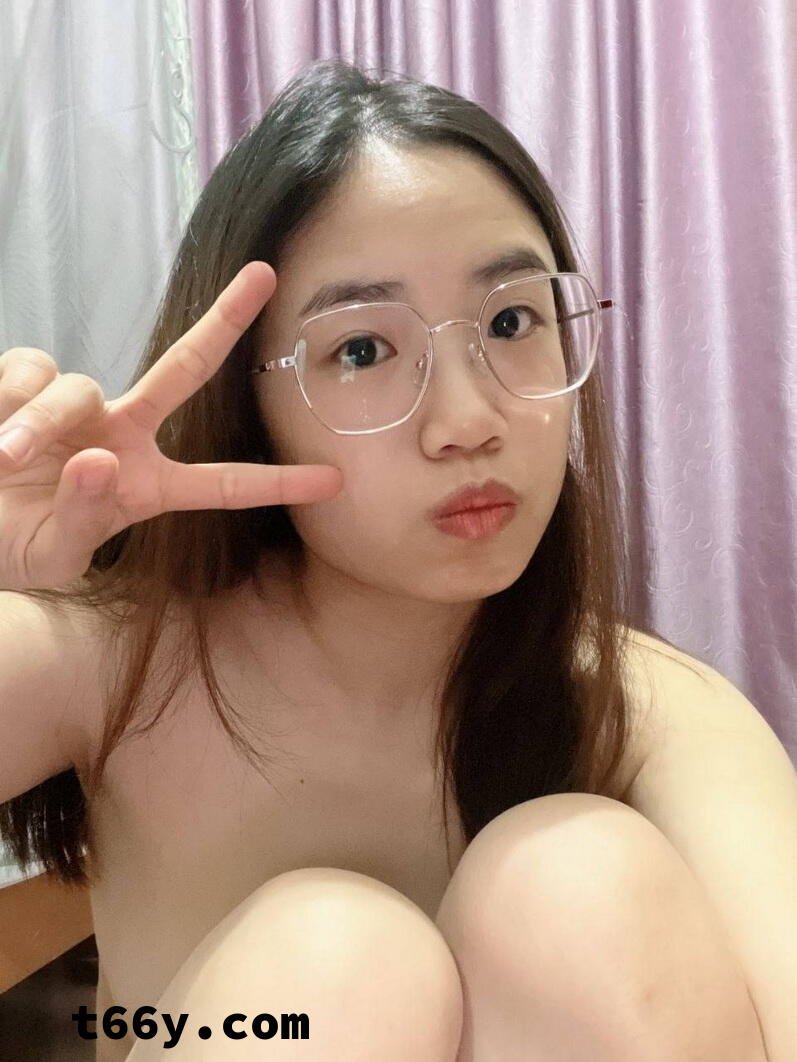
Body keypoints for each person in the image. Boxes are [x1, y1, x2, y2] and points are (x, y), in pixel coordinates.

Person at [0, 59, 770, 1061]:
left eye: (511, 322)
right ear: (250, 402)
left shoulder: (643, 707)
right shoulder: (120, 660)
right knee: (337, 959)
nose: (467, 420)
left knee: (577, 877)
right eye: (361, 350)